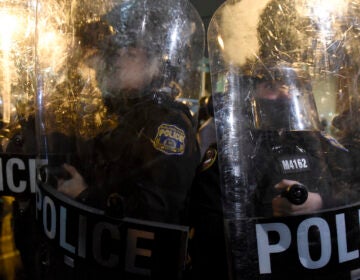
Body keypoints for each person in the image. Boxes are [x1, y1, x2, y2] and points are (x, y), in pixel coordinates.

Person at [188, 63, 356, 278]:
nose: (285, 94)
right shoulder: (233, 155)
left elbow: (353, 198)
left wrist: (321, 203)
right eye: (271, 86)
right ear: (251, 95)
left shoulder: (325, 147)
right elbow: (209, 234)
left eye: (291, 86)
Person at [49, 2, 201, 226]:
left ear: (157, 66)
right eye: (117, 51)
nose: (118, 59)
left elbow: (155, 214)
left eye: (130, 53)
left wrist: (85, 196)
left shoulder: (167, 125)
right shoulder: (123, 114)